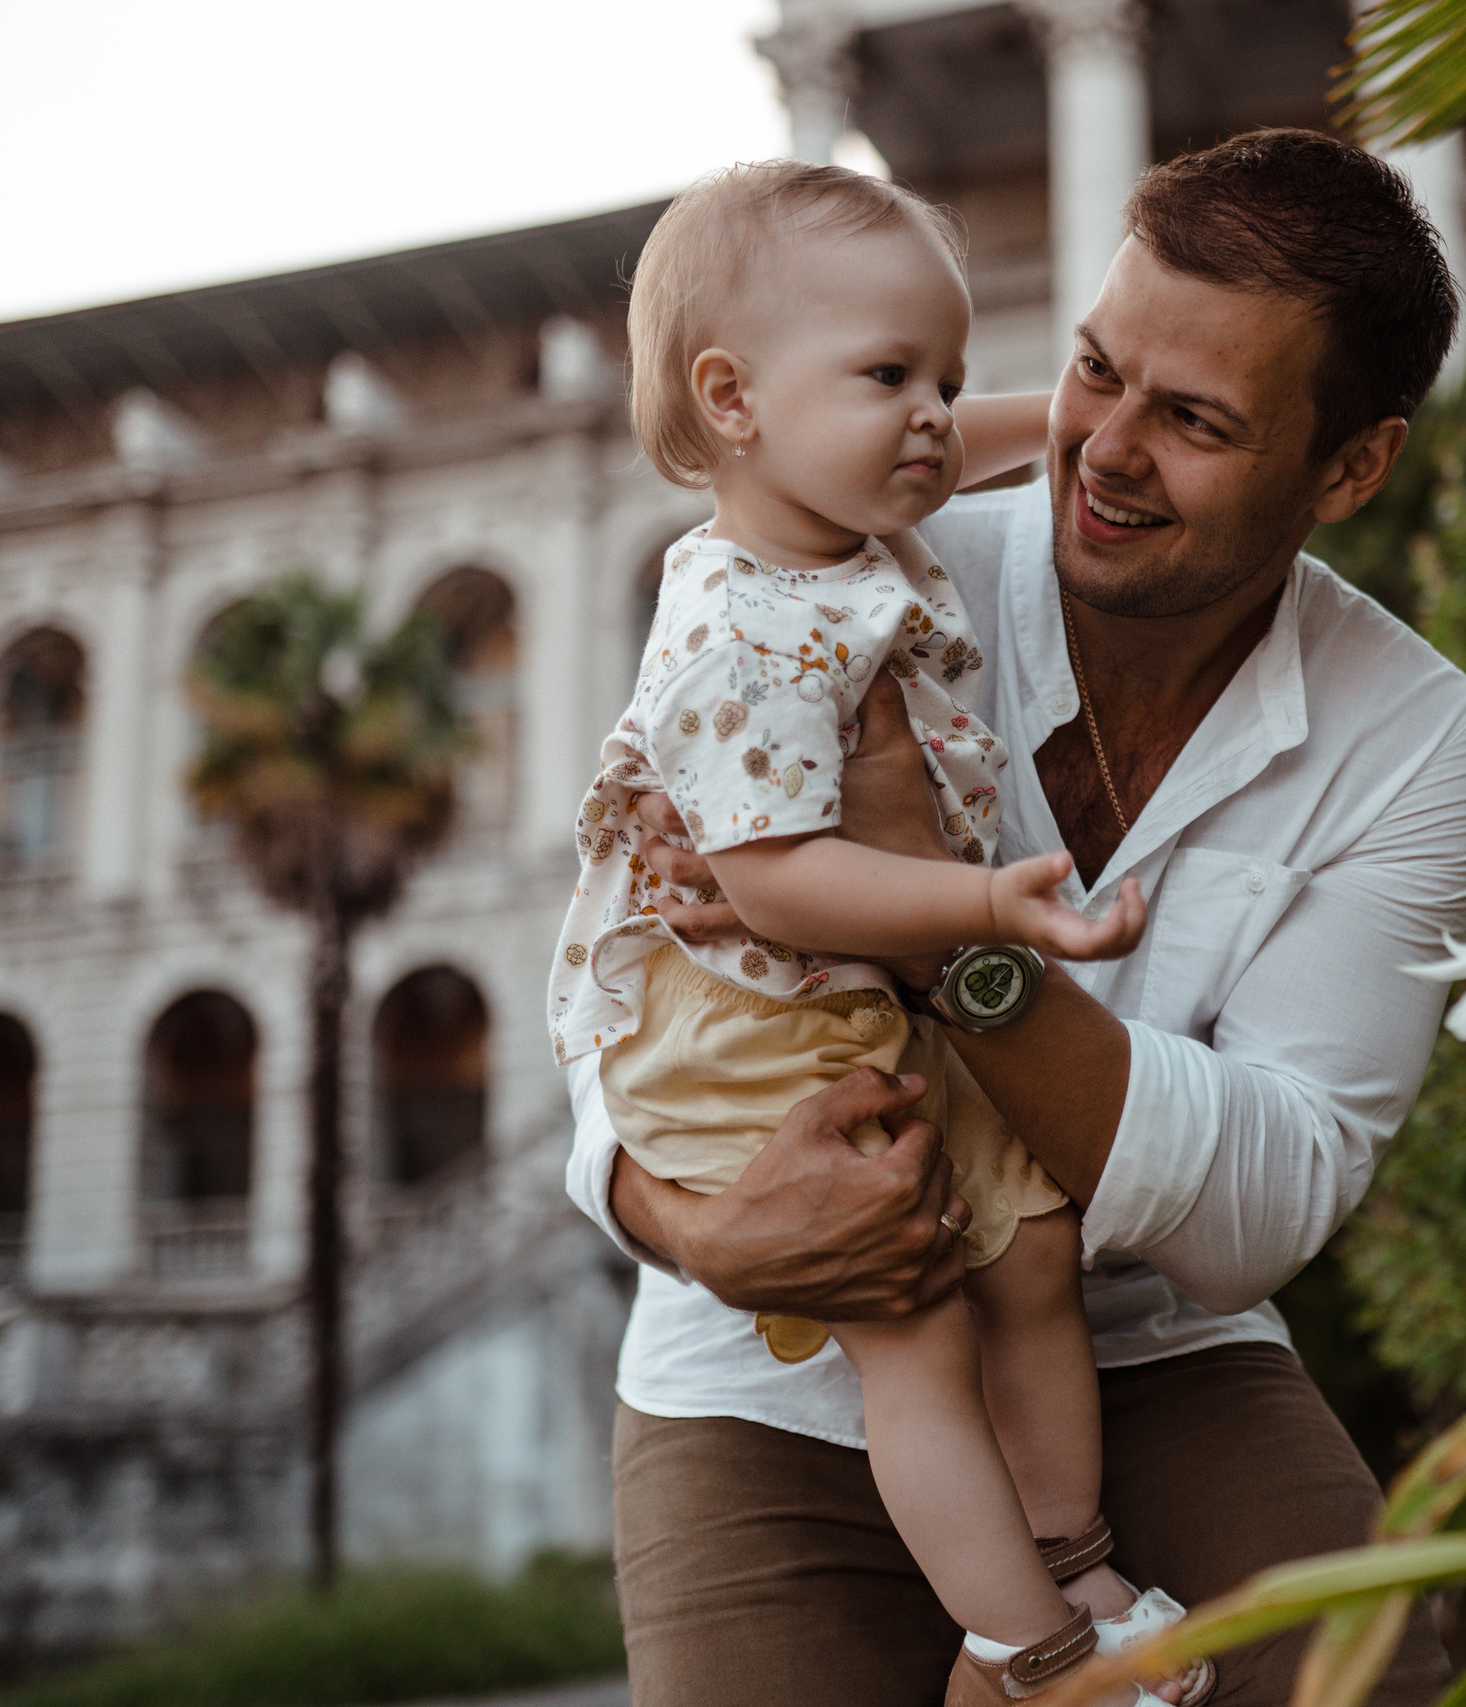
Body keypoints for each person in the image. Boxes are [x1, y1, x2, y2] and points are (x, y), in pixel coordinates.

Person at [565, 128, 1466, 1706]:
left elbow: (1258, 1211)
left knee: (1371, 1680)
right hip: (771, 1346)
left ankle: (1062, 1592)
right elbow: (630, 972)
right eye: (1093, 372)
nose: (1105, 453)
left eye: (1194, 419)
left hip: (1136, 1334)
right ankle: (1045, 1637)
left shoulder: (1416, 738)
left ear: (1352, 468)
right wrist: (705, 1232)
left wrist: (953, 945)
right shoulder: (844, 562)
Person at [550, 159, 1200, 1706]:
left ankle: (1073, 1560)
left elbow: (988, 440)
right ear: (733, 399)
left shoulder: (838, 527)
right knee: (911, 1322)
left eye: (947, 381)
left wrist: (1092, 419)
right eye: (890, 376)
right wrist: (986, 903)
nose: (936, 417)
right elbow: (775, 881)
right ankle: (1038, 1657)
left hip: (862, 997)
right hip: (749, 1024)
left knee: (1030, 1250)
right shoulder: (739, 628)